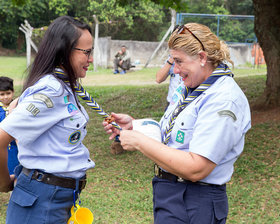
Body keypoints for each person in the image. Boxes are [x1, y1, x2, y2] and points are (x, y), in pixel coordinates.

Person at [103, 23, 251, 224]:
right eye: (173, 61)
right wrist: (136, 126)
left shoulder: (223, 99)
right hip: (172, 194)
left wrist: (139, 142)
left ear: (201, 57)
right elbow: (176, 138)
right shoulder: (192, 86)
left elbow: (196, 168)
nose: (175, 70)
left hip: (194, 200)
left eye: (179, 61)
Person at [0, 16, 95, 223]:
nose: (91, 59)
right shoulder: (51, 91)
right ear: (64, 50)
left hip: (57, 197)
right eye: (86, 52)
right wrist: (3, 183)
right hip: (41, 199)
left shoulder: (64, 86)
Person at [0, 77, 19, 176]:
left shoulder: (18, 107)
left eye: (8, 93)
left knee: (16, 171)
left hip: (16, 146)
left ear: (13, 92)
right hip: (3, 145)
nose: (5, 97)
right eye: (2, 94)